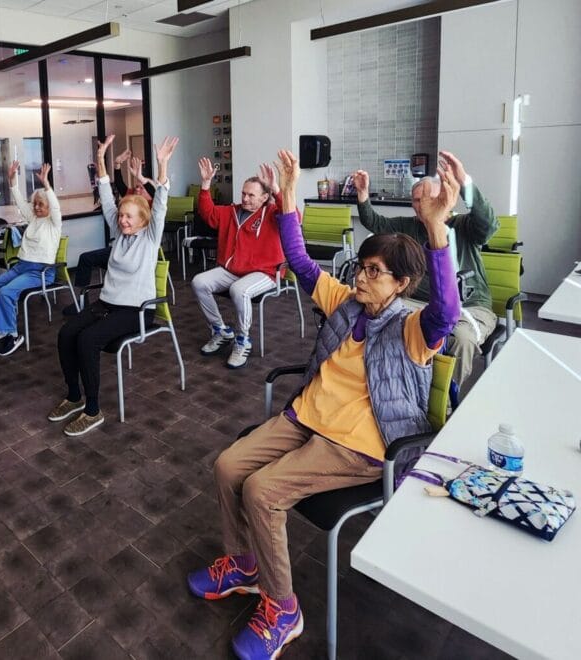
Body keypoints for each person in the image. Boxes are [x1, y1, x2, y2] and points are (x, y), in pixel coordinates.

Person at [187, 149, 461, 660]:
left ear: (401, 283)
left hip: (359, 444)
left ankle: (283, 609)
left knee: (263, 492)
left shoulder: (413, 328)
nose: (361, 278)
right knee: (228, 465)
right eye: (361, 267)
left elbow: (447, 312)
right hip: (305, 419)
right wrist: (289, 194)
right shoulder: (346, 303)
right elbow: (299, 261)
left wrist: (436, 226)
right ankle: (245, 563)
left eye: (375, 272)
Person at [48, 134, 176, 437]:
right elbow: (106, 196)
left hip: (137, 310)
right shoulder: (119, 235)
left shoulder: (150, 238)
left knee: (87, 340)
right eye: (121, 216)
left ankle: (93, 410)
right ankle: (74, 396)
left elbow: (160, 204)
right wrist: (101, 160)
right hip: (108, 304)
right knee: (66, 333)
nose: (122, 221)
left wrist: (162, 166)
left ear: (143, 220)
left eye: (129, 217)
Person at [353, 150, 499, 384]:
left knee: (462, 339)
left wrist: (464, 182)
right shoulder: (409, 226)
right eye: (415, 200)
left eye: (426, 198)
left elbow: (488, 223)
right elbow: (375, 222)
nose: (419, 205)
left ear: (442, 197)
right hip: (419, 303)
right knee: (375, 314)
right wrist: (362, 195)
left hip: (470, 307)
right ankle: (392, 383)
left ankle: (445, 398)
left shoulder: (464, 225)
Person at [190, 159, 288, 368]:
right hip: (234, 270)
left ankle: (242, 340)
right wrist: (206, 184)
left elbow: (293, 216)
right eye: (243, 193)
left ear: (264, 197)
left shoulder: (272, 213)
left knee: (239, 290)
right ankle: (220, 330)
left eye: (251, 195)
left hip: (266, 272)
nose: (245, 198)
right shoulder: (231, 211)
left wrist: (277, 189)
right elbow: (208, 213)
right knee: (199, 282)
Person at [0, 161, 62, 357]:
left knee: (6, 293)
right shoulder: (33, 218)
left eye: (41, 204)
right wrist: (12, 180)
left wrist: (46, 185)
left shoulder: (54, 223)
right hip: (22, 266)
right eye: (35, 204)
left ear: (48, 206)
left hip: (40, 271)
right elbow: (19, 200)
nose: (37, 207)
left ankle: (12, 335)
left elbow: (55, 207)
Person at [62, 154, 153, 317]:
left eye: (141, 188)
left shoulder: (152, 211)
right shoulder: (131, 203)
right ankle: (81, 301)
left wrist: (144, 178)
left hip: (141, 255)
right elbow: (117, 190)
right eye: (137, 187)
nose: (137, 190)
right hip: (121, 251)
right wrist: (116, 165)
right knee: (86, 258)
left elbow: (160, 198)